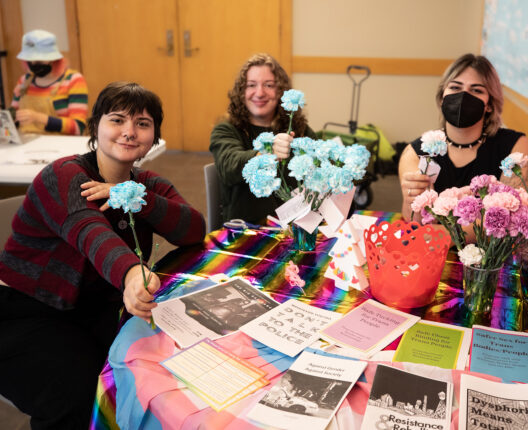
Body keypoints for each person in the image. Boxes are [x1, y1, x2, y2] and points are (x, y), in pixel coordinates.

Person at [0, 81, 206, 429]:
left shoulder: (148, 184)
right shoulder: (64, 175)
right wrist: (129, 275)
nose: (129, 132)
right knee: (79, 391)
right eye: (117, 120)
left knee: (161, 362)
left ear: (153, 138)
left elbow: (192, 229)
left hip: (89, 308)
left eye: (142, 123)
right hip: (24, 312)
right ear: (95, 127)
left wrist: (134, 197)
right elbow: (90, 232)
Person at [399, 53, 528, 221]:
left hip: (492, 247)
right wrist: (410, 199)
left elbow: (513, 220)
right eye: (455, 87)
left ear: (490, 105)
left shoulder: (515, 148)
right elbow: (415, 221)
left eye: (476, 90)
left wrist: (442, 235)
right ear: (442, 97)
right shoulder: (416, 152)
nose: (463, 96)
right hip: (435, 245)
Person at [209, 53, 315, 224]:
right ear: (241, 92)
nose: (259, 93)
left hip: (295, 228)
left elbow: (319, 168)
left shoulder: (297, 128)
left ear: (281, 91)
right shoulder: (227, 129)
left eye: (269, 85)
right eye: (251, 85)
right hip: (248, 232)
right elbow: (229, 166)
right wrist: (268, 151)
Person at [11, 29, 88, 135]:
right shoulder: (24, 81)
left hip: (61, 146)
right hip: (28, 144)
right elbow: (13, 119)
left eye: (39, 60)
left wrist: (38, 118)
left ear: (54, 59)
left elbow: (78, 128)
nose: (34, 64)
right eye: (30, 60)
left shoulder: (73, 80)